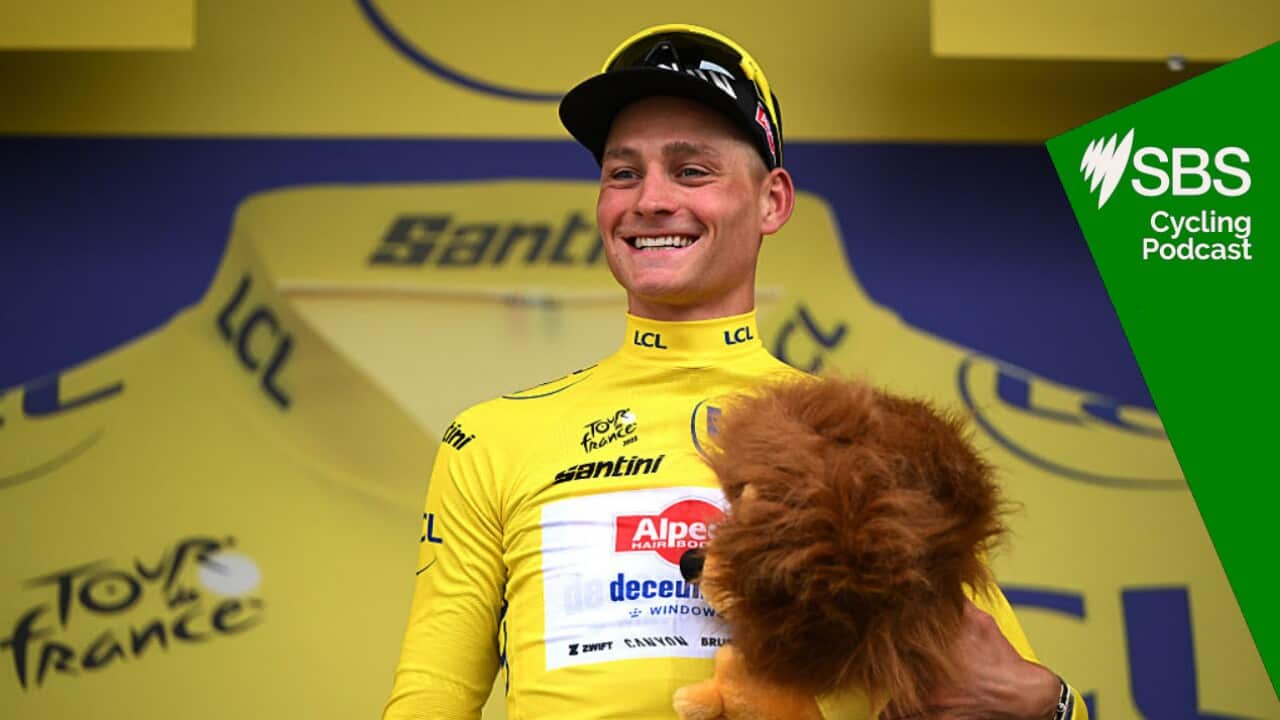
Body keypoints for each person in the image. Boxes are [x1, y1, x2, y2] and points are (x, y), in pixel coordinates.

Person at [383, 23, 1084, 720]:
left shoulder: (866, 438)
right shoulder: (492, 438)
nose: (650, 198)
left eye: (692, 170)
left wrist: (1047, 702)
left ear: (772, 201)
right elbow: (431, 697)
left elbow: (1004, 681)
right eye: (623, 172)